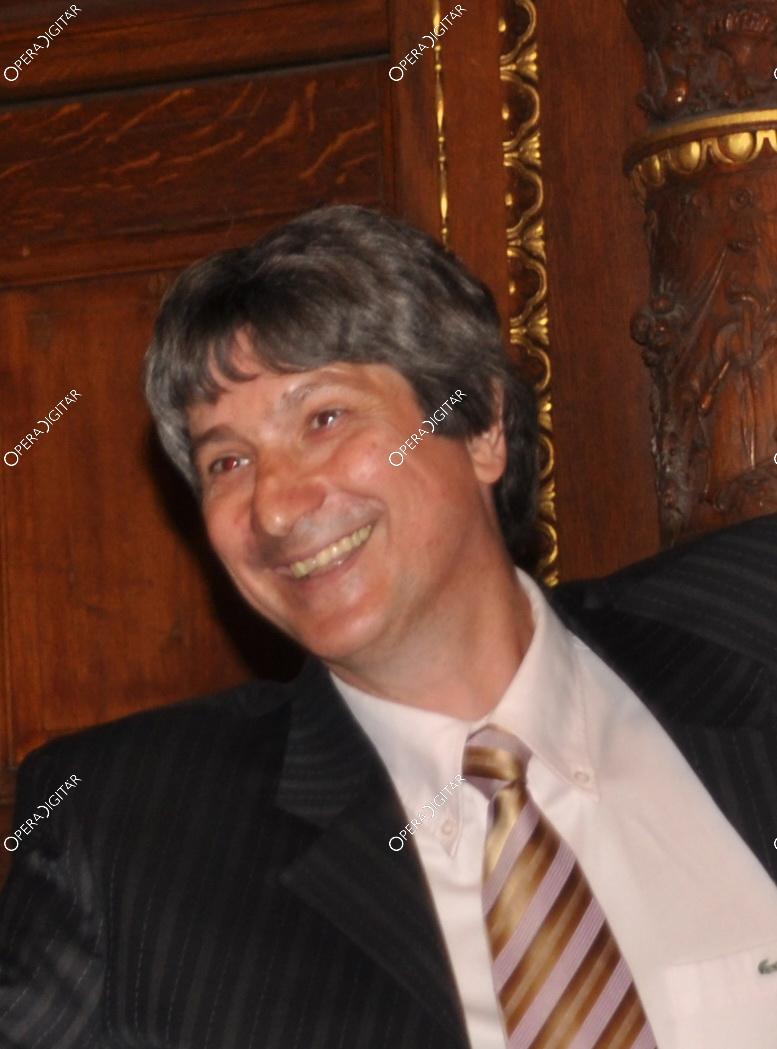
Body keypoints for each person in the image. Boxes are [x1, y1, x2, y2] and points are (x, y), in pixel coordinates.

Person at [1, 205, 777, 1049]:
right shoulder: (131, 834)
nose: (274, 505)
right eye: (229, 460)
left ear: (480, 426)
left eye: (323, 419)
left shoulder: (750, 623)